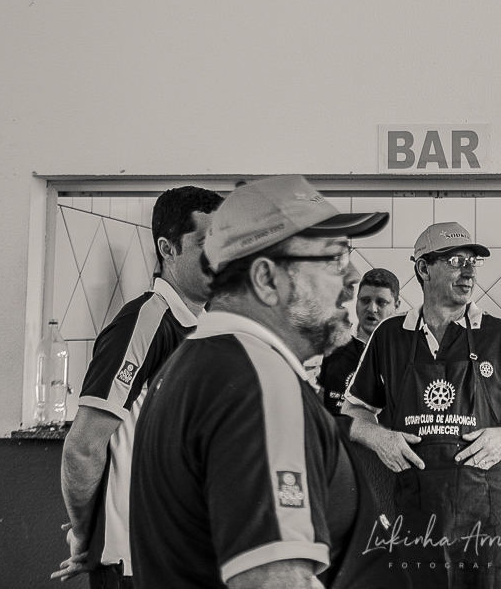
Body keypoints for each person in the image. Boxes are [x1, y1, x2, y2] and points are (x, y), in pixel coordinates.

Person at [128, 175, 400, 589]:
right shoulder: (261, 383)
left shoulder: (194, 364)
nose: (352, 278)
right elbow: (272, 581)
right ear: (267, 280)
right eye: (333, 258)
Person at [343, 221, 501, 589]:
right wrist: (380, 439)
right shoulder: (389, 337)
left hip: (491, 511)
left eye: (473, 262)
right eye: (456, 261)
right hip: (419, 510)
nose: (469, 271)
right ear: (424, 268)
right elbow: (354, 411)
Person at [52, 185, 223, 587]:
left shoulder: (204, 329)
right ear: (167, 249)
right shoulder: (145, 321)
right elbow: (83, 447)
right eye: (206, 243)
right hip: (136, 564)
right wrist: (85, 535)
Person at [318, 268, 400, 416]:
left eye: (381, 302)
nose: (371, 309)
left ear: (397, 305)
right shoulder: (335, 344)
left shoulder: (406, 353)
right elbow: (320, 402)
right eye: (365, 300)